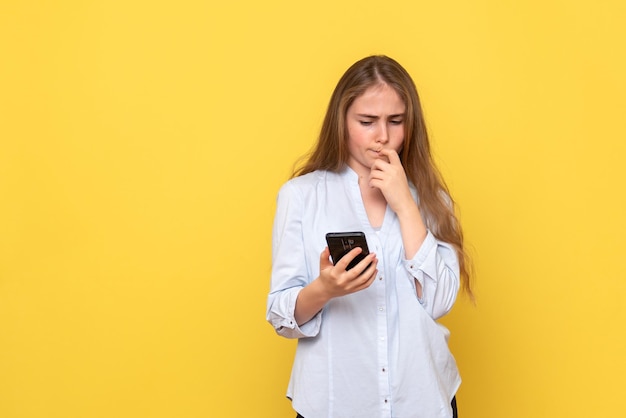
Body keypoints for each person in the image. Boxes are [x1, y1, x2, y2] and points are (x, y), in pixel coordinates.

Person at [266, 55, 472, 418]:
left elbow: (439, 302)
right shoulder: (301, 195)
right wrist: (324, 289)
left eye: (396, 121)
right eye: (367, 122)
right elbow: (279, 314)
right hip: (335, 403)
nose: (383, 136)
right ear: (341, 122)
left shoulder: (431, 199)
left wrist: (406, 205)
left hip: (422, 400)